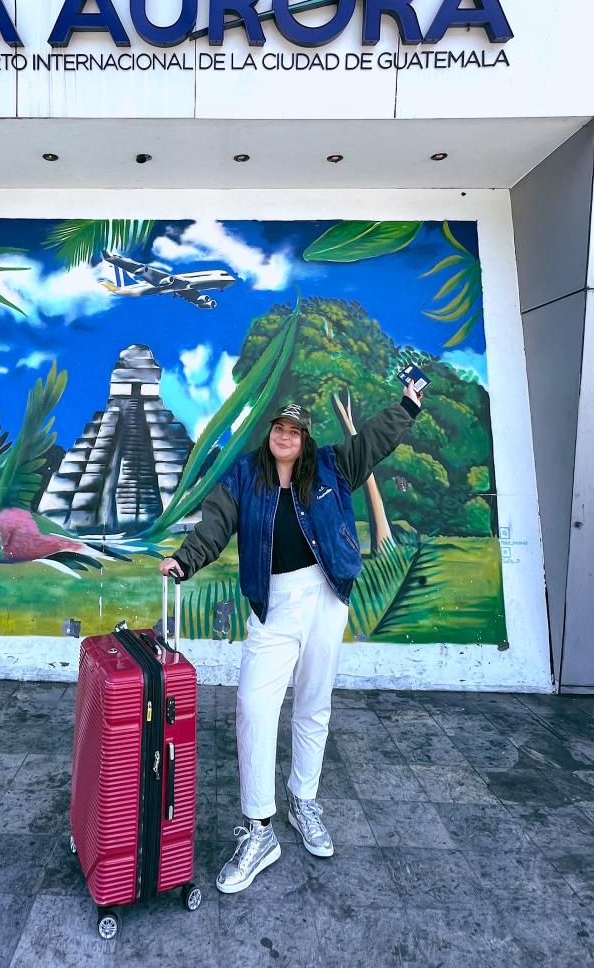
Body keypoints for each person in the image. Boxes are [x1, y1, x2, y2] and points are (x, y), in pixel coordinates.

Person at [159, 382, 423, 893]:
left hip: (325, 597)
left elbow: (373, 441)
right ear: (270, 435)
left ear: (305, 439)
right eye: (279, 428)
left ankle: (304, 801)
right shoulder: (244, 478)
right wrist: (184, 560)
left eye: (294, 431)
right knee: (254, 708)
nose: (285, 436)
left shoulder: (331, 467)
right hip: (273, 605)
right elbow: (213, 527)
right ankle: (260, 830)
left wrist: (409, 405)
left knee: (312, 706)